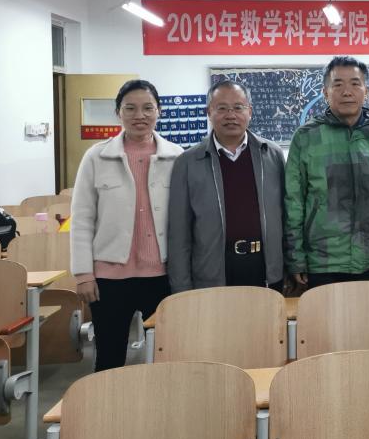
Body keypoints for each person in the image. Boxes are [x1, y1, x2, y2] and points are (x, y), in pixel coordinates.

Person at [70, 79, 183, 371]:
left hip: (162, 275)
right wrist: (83, 274)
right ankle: (109, 402)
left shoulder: (177, 156)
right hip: (109, 279)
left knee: (167, 355)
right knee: (109, 356)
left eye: (148, 108)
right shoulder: (96, 157)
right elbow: (82, 219)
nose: (139, 115)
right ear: (118, 113)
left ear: (159, 111)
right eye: (130, 108)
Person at [285, 56, 369, 287]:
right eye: (338, 84)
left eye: (355, 84)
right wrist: (295, 258)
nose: (347, 92)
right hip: (324, 262)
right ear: (325, 92)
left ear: (366, 91)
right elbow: (294, 203)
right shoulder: (306, 137)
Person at [167, 80, 287, 293]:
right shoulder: (187, 162)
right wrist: (181, 287)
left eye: (238, 108)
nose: (230, 115)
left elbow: (286, 216)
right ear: (209, 112)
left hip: (266, 270)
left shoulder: (272, 155)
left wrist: (290, 268)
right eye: (221, 108)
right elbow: (179, 233)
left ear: (250, 111)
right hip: (212, 273)